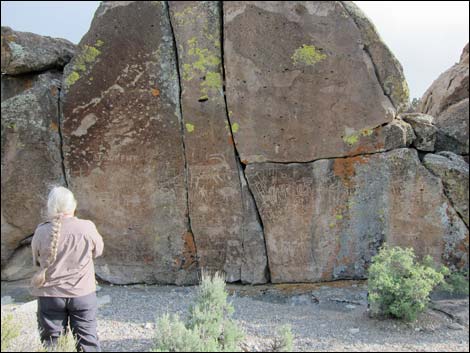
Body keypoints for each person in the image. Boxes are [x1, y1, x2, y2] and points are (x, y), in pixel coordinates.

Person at [31, 186, 104, 352]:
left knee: (52, 345)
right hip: (82, 293)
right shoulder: (87, 227)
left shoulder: (41, 231)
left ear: (50, 207)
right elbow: (98, 251)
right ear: (74, 205)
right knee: (88, 343)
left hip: (50, 295)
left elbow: (36, 260)